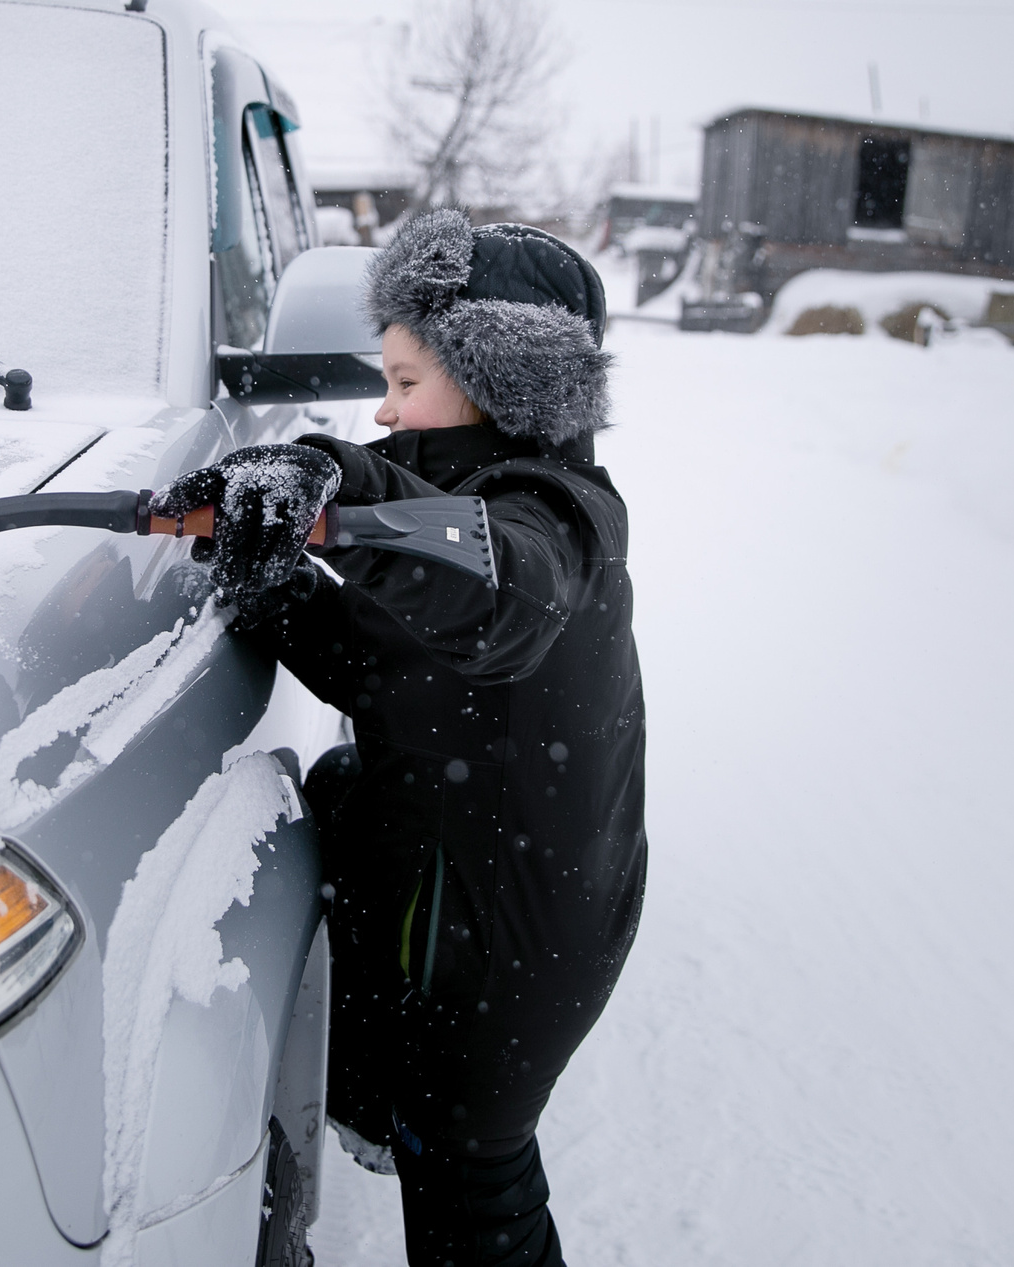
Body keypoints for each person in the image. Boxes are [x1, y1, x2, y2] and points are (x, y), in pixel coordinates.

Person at [156, 210, 647, 1267]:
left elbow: (496, 582)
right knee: (458, 1158)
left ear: (501, 382)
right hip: (475, 901)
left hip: (506, 943)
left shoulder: (557, 520)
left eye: (405, 382)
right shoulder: (453, 489)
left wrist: (343, 483)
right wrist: (273, 590)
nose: (383, 410)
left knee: (472, 1178)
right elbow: (394, 678)